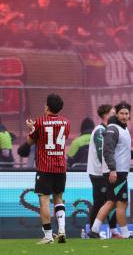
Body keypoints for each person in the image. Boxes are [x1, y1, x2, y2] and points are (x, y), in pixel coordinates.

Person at [88, 101, 133, 239]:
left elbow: (121, 149)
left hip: (118, 171)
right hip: (117, 172)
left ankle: (94, 230)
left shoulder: (123, 128)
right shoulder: (112, 128)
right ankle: (125, 234)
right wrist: (112, 169)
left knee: (110, 202)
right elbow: (108, 150)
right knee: (121, 203)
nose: (124, 116)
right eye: (121, 113)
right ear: (116, 114)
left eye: (126, 113)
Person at [25, 94, 70, 244]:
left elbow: (30, 142)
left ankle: (48, 236)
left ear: (48, 107)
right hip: (61, 167)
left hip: (45, 168)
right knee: (59, 197)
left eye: (45, 105)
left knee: (44, 201)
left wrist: (31, 129)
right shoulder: (66, 122)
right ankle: (62, 230)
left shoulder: (40, 122)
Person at [87, 104, 119, 237]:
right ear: (106, 115)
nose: (115, 115)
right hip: (99, 174)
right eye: (113, 113)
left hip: (105, 172)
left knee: (111, 201)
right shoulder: (100, 130)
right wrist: (111, 169)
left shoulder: (109, 129)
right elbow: (102, 152)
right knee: (100, 202)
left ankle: (113, 231)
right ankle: (92, 231)